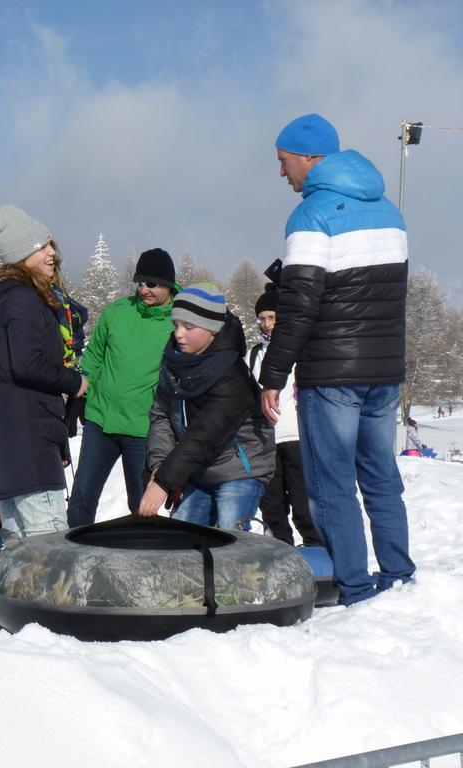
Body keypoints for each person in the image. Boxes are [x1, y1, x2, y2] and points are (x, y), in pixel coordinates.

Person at [260, 113, 414, 606]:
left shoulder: (312, 215)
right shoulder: (391, 211)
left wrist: (273, 374)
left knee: (331, 483)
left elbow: (299, 306)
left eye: (284, 163)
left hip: (332, 374)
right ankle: (399, 578)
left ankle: (355, 589)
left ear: (308, 158)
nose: (282, 174)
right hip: (383, 370)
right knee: (381, 477)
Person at [0, 204, 87, 539]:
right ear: (22, 256)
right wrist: (75, 381)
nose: (53, 253)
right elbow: (27, 364)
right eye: (42, 248)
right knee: (48, 544)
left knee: (18, 544)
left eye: (52, 246)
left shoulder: (7, 300)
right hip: (25, 431)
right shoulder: (23, 299)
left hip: (10, 428)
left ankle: (16, 595)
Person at [139, 283, 275, 528]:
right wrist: (159, 465)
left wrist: (164, 481)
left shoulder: (232, 374)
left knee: (228, 535)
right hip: (197, 469)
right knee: (181, 535)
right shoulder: (174, 363)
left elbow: (206, 432)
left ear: (212, 330)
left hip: (239, 470)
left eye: (188, 327)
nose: (179, 333)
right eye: (176, 325)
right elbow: (160, 416)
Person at [67, 249, 177, 524]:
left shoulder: (179, 321)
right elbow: (92, 359)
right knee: (81, 500)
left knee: (142, 508)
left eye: (151, 284)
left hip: (143, 429)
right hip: (100, 422)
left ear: (169, 284)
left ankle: (143, 562)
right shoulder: (117, 312)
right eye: (139, 282)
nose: (144, 290)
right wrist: (77, 399)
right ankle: (75, 560)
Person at [247, 285, 322, 547]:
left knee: (304, 504)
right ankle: (281, 553)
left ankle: (317, 552)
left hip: (298, 437)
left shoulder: (301, 350)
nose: (266, 324)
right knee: (272, 506)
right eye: (262, 318)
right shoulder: (254, 354)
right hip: (266, 441)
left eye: (272, 317)